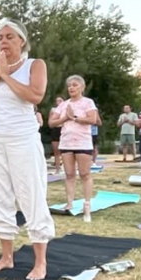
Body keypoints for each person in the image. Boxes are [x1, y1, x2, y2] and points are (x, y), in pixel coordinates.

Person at [0, 19, 54, 280]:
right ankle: (6, 257)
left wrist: (6, 76)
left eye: (9, 37)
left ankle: (40, 262)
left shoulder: (34, 65)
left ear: (22, 41)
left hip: (23, 138)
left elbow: (35, 96)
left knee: (31, 194)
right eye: (0, 38)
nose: (3, 41)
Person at [49, 75, 97, 222]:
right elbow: (51, 122)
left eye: (75, 85)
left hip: (83, 142)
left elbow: (93, 119)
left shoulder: (88, 102)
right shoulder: (63, 105)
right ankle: (69, 203)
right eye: (69, 85)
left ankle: (87, 204)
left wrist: (75, 118)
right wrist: (65, 118)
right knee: (69, 174)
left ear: (82, 87)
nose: (71, 87)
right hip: (66, 142)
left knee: (84, 174)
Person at [47, 97, 64, 174]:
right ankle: (57, 168)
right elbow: (50, 122)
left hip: (64, 129)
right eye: (57, 101)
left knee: (65, 150)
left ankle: (65, 167)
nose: (58, 102)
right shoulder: (53, 110)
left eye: (60, 100)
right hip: (55, 130)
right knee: (56, 151)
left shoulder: (66, 109)